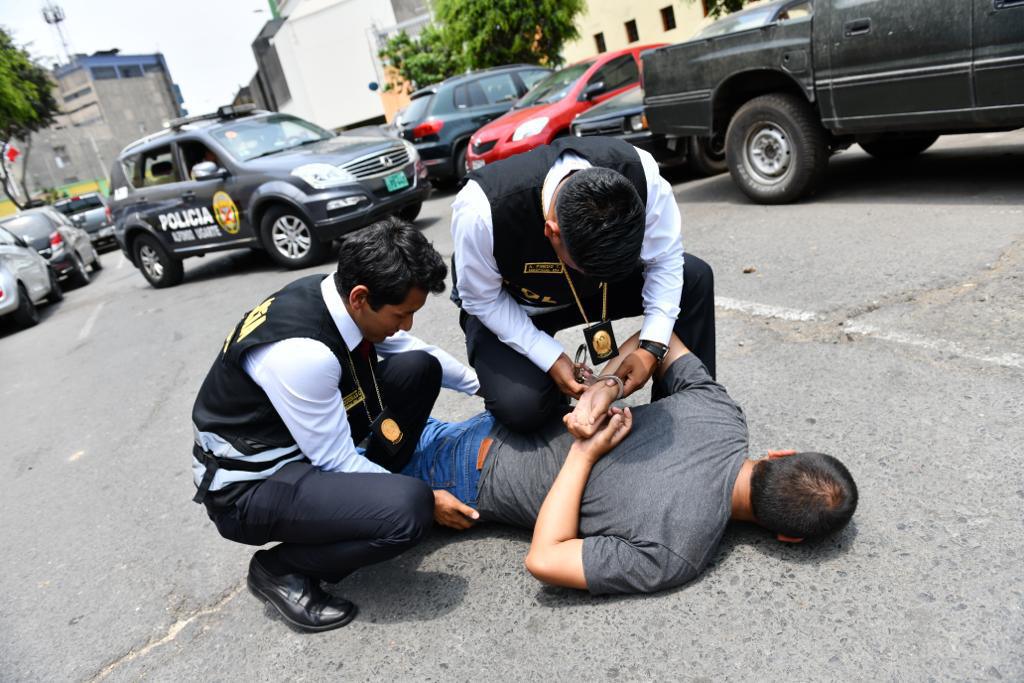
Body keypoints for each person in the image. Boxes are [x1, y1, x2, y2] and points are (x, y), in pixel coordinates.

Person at [190, 217, 480, 631]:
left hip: (299, 448)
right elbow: (336, 461)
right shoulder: (304, 354)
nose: (408, 323)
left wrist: (481, 387)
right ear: (361, 298)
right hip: (250, 488)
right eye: (402, 313)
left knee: (419, 368)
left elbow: (412, 345)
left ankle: (376, 497)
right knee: (410, 509)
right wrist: (430, 501)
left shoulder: (335, 294)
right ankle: (282, 569)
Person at [403, 333, 858, 595]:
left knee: (362, 430)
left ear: (781, 455)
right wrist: (585, 453)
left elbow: (658, 337)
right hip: (472, 476)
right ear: (787, 535)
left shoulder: (721, 413)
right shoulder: (678, 554)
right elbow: (543, 559)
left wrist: (610, 386)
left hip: (492, 432)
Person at [451, 136, 716, 433]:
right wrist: (550, 358)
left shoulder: (641, 174)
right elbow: (481, 300)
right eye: (587, 268)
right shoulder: (481, 210)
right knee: (522, 406)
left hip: (598, 296)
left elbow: (665, 259)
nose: (593, 275)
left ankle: (688, 412)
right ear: (552, 233)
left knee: (694, 278)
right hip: (512, 304)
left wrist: (652, 348)